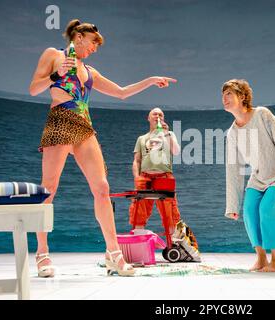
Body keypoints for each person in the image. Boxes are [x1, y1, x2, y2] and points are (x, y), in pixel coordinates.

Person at [29, 19, 177, 277]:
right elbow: (33, 89)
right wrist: (57, 75)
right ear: (79, 36)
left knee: (102, 188)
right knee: (49, 188)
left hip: (84, 127)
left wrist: (151, 80)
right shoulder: (54, 55)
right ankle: (42, 253)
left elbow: (121, 92)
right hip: (61, 119)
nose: (96, 48)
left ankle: (114, 253)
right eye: (94, 42)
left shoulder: (90, 71)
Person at [222, 79, 275, 272]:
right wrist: (232, 205)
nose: (224, 99)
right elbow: (233, 169)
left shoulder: (262, 114)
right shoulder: (232, 133)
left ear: (242, 96)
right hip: (259, 177)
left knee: (267, 210)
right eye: (223, 95)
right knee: (249, 212)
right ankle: (261, 258)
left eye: (229, 94)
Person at [129, 107, 182, 234]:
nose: (158, 116)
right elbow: (137, 160)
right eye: (154, 114)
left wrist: (167, 133)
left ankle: (172, 242)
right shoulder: (142, 138)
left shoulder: (170, 135)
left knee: (169, 209)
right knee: (139, 208)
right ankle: (138, 237)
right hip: (145, 176)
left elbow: (176, 152)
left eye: (161, 114)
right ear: (148, 118)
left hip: (164, 176)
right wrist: (137, 177)